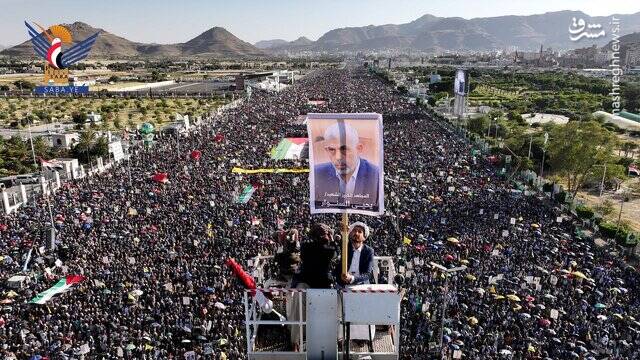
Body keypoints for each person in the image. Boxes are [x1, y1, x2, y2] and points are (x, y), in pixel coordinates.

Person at [313, 122, 380, 209]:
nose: (338, 157)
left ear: (359, 148)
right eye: (331, 149)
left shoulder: (376, 176)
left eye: (344, 149)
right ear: (326, 149)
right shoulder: (317, 174)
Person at [294, 223, 338, 289]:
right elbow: (336, 254)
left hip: (306, 279)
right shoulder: (328, 249)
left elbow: (302, 257)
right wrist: (331, 240)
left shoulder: (305, 245)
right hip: (323, 282)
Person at [338, 222, 375, 286]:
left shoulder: (369, 251)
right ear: (350, 234)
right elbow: (342, 240)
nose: (356, 233)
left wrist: (352, 278)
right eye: (354, 231)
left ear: (364, 237)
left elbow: (367, 274)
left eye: (360, 231)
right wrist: (343, 232)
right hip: (342, 284)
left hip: (361, 284)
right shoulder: (345, 247)